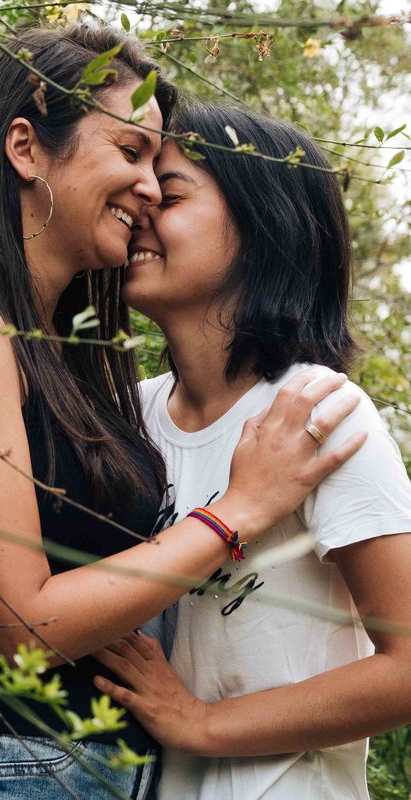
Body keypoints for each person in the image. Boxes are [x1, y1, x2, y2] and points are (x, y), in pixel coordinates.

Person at [0, 24, 366, 800]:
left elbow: (31, 577)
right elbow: (19, 628)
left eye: (162, 176)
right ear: (27, 149)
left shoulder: (64, 349)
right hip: (2, 769)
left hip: (76, 771)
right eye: (130, 154)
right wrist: (235, 512)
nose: (147, 190)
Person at [89, 101, 411, 799]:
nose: (138, 206)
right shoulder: (128, 416)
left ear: (263, 227)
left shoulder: (315, 414)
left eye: (168, 194)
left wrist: (201, 723)